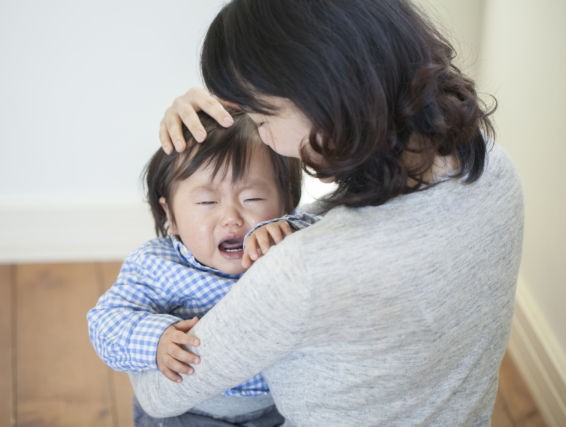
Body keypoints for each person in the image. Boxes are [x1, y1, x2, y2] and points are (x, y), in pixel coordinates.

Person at [130, 1, 524, 426]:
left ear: (319, 96)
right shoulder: (492, 168)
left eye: (262, 118)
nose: (265, 137)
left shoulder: (304, 272)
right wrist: (230, 128)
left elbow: (159, 395)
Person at [87, 110, 319, 426]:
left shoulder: (289, 247)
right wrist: (157, 341)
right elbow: (106, 322)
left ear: (286, 202)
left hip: (278, 410)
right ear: (170, 215)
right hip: (190, 413)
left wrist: (289, 228)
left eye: (252, 197)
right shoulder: (158, 265)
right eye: (207, 203)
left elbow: (331, 241)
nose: (231, 217)